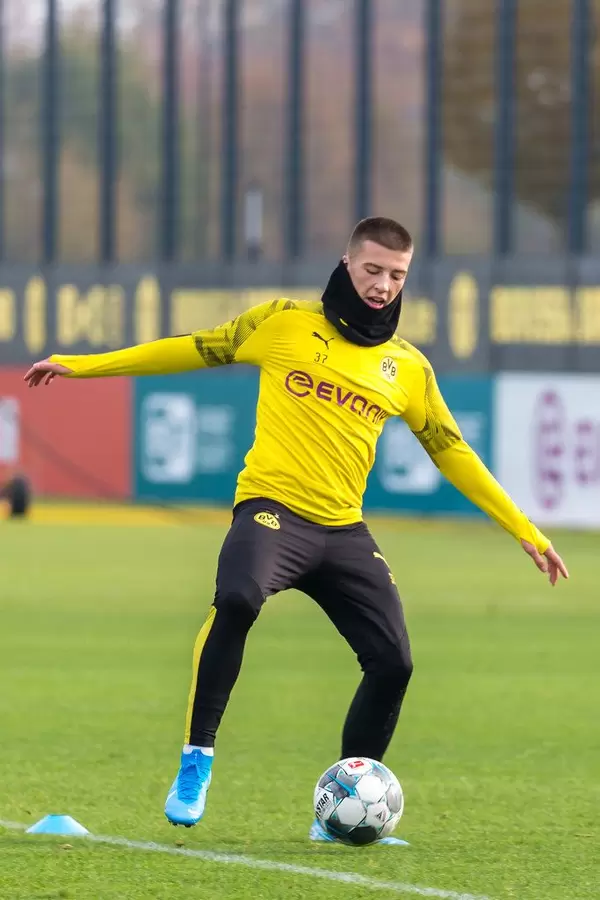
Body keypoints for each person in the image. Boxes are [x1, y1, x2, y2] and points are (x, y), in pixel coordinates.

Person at [25, 216, 568, 842]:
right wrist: (82, 366)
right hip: (271, 511)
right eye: (372, 270)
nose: (383, 285)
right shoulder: (282, 323)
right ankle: (196, 763)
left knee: (393, 662)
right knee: (236, 598)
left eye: (396, 275)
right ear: (346, 262)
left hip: (344, 533)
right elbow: (191, 347)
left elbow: (451, 451)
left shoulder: (407, 368)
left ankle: (339, 816)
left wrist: (523, 528)